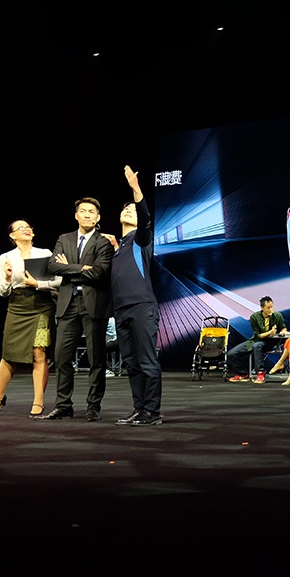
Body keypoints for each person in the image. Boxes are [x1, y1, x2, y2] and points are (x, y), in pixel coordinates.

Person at [40, 197, 114, 421]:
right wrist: (82, 268)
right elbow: (53, 266)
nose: (87, 215)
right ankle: (63, 405)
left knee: (96, 359)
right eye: (83, 211)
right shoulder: (65, 238)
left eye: (92, 212)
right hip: (68, 303)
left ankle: (93, 406)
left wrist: (68, 268)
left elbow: (99, 272)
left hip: (93, 303)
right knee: (61, 357)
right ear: (76, 215)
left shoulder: (103, 242)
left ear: (98, 217)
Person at [104, 165, 164, 426]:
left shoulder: (141, 239)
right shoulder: (118, 248)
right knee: (131, 363)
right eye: (125, 209)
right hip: (121, 310)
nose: (128, 210)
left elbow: (146, 218)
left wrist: (136, 189)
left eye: (132, 209)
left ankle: (152, 411)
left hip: (142, 306)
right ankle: (139, 409)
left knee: (147, 360)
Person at [0, 220, 62, 416]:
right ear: (12, 236)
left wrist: (38, 284)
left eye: (29, 227)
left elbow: (58, 281)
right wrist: (7, 277)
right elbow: (2, 292)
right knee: (9, 354)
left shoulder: (45, 253)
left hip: (41, 305)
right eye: (21, 228)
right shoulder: (5, 258)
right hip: (17, 305)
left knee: (39, 353)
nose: (27, 229)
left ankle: (38, 401)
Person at [227, 296, 288, 383]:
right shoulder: (254, 317)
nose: (271, 309)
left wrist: (283, 331)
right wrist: (270, 332)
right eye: (268, 307)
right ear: (262, 308)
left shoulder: (277, 316)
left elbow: (283, 327)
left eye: (272, 306)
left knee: (257, 346)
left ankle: (260, 373)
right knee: (231, 354)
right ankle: (242, 374)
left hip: (269, 342)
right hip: (255, 340)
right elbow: (258, 336)